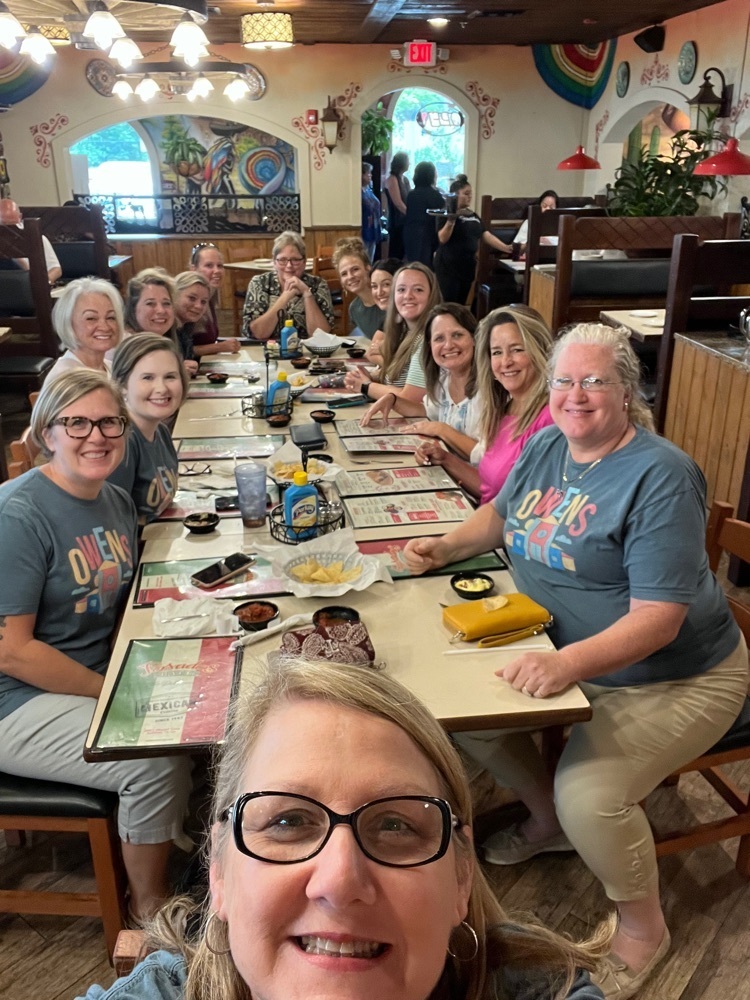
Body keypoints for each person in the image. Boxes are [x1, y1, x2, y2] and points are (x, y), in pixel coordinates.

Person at [403, 324, 749, 999]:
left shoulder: (661, 475)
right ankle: (545, 820)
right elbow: (499, 518)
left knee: (590, 794)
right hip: (558, 648)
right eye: (564, 380)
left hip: (678, 677)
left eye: (594, 380)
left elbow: (658, 621)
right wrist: (442, 548)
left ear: (627, 390)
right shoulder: (546, 446)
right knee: (461, 718)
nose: (576, 395)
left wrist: (566, 668)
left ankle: (644, 925)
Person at [77, 658, 607, 1000]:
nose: (339, 881)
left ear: (461, 876)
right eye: (287, 820)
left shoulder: (544, 989)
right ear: (219, 870)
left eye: (395, 824)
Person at [0, 370, 193, 921]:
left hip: (85, 672)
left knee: (208, 698)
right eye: (76, 422)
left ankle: (171, 832)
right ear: (48, 433)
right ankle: (149, 913)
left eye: (109, 421)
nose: (96, 436)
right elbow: (11, 651)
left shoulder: (111, 500)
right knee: (153, 760)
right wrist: (111, 691)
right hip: (14, 698)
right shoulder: (19, 514)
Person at [415, 305, 555, 503]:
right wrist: (445, 458)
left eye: (516, 350)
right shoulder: (502, 410)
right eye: (497, 352)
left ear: (539, 350)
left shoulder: (550, 419)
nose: (505, 362)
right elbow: (489, 488)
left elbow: (519, 506)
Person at [361, 304, 482, 467]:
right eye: (439, 338)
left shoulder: (489, 390)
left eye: (457, 335)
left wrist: (442, 429)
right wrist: (393, 400)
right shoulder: (444, 378)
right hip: (448, 471)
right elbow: (428, 411)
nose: (448, 345)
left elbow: (488, 457)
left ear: (474, 338)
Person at [109, 335, 188, 524]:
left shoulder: (160, 431)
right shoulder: (122, 442)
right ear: (122, 385)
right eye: (147, 378)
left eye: (170, 377)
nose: (161, 388)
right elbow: (113, 521)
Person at [343, 262, 441, 404]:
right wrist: (371, 378)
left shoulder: (428, 339)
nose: (408, 296)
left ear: (432, 295)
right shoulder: (404, 332)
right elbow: (396, 382)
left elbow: (410, 397)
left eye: (418, 290)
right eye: (401, 290)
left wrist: (366, 386)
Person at [241, 231, 334, 340]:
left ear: (304, 262)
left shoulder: (318, 285)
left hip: (306, 351)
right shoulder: (259, 283)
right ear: (274, 262)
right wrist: (285, 296)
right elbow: (258, 333)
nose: (289, 266)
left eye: (295, 260)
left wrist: (307, 294)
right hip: (267, 350)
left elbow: (322, 336)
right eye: (282, 260)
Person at [434, 175, 512, 306]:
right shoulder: (444, 213)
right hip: (448, 266)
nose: (470, 196)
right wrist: (451, 220)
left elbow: (486, 235)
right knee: (449, 304)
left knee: (461, 303)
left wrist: (507, 248)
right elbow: (442, 238)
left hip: (467, 266)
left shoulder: (473, 215)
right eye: (466, 193)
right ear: (455, 195)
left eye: (470, 193)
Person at [123, 268, 198, 378]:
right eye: (150, 303)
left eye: (166, 303)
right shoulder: (126, 347)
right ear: (133, 309)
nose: (161, 310)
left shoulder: (165, 340)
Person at [47, 276, 123, 381]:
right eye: (91, 318)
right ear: (68, 322)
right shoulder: (67, 378)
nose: (105, 327)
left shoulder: (111, 368)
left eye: (111, 317)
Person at [188, 242, 241, 355]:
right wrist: (219, 347)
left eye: (220, 266)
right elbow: (181, 350)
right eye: (209, 265)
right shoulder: (189, 300)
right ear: (193, 269)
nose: (217, 271)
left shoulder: (210, 296)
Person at [0, 198, 62, 283]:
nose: (10, 229)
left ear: (20, 217)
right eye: (4, 225)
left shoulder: (36, 238)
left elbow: (56, 269)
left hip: (32, 287)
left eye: (13, 224)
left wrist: (44, 283)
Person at [332, 237, 382, 339]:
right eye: (344, 274)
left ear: (368, 268)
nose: (350, 276)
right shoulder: (354, 309)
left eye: (355, 269)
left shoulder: (385, 299)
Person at [403, 161, 445, 267]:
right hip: (427, 234)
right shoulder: (435, 194)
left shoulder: (411, 194)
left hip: (410, 233)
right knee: (426, 267)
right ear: (431, 176)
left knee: (413, 264)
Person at [365, 257, 401, 365]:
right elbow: (370, 353)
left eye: (386, 284)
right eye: (374, 286)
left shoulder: (411, 319)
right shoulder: (389, 317)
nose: (379, 292)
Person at [174, 271, 210, 366]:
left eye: (203, 302)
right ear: (174, 295)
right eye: (192, 298)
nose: (199, 306)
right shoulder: (164, 330)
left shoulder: (187, 326)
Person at [384, 151, 411, 260]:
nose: (409, 164)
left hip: (405, 222)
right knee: (396, 253)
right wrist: (411, 215)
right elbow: (398, 203)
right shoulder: (392, 179)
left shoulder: (405, 179)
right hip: (396, 222)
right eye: (408, 161)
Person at [514, 190, 559, 256]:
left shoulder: (562, 225)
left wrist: (548, 242)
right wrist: (533, 241)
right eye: (544, 206)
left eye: (551, 207)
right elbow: (517, 250)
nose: (547, 209)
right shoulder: (528, 223)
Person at [361, 162, 382, 261]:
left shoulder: (368, 189)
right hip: (364, 230)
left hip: (373, 227)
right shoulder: (358, 192)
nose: (371, 175)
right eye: (368, 173)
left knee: (370, 260)